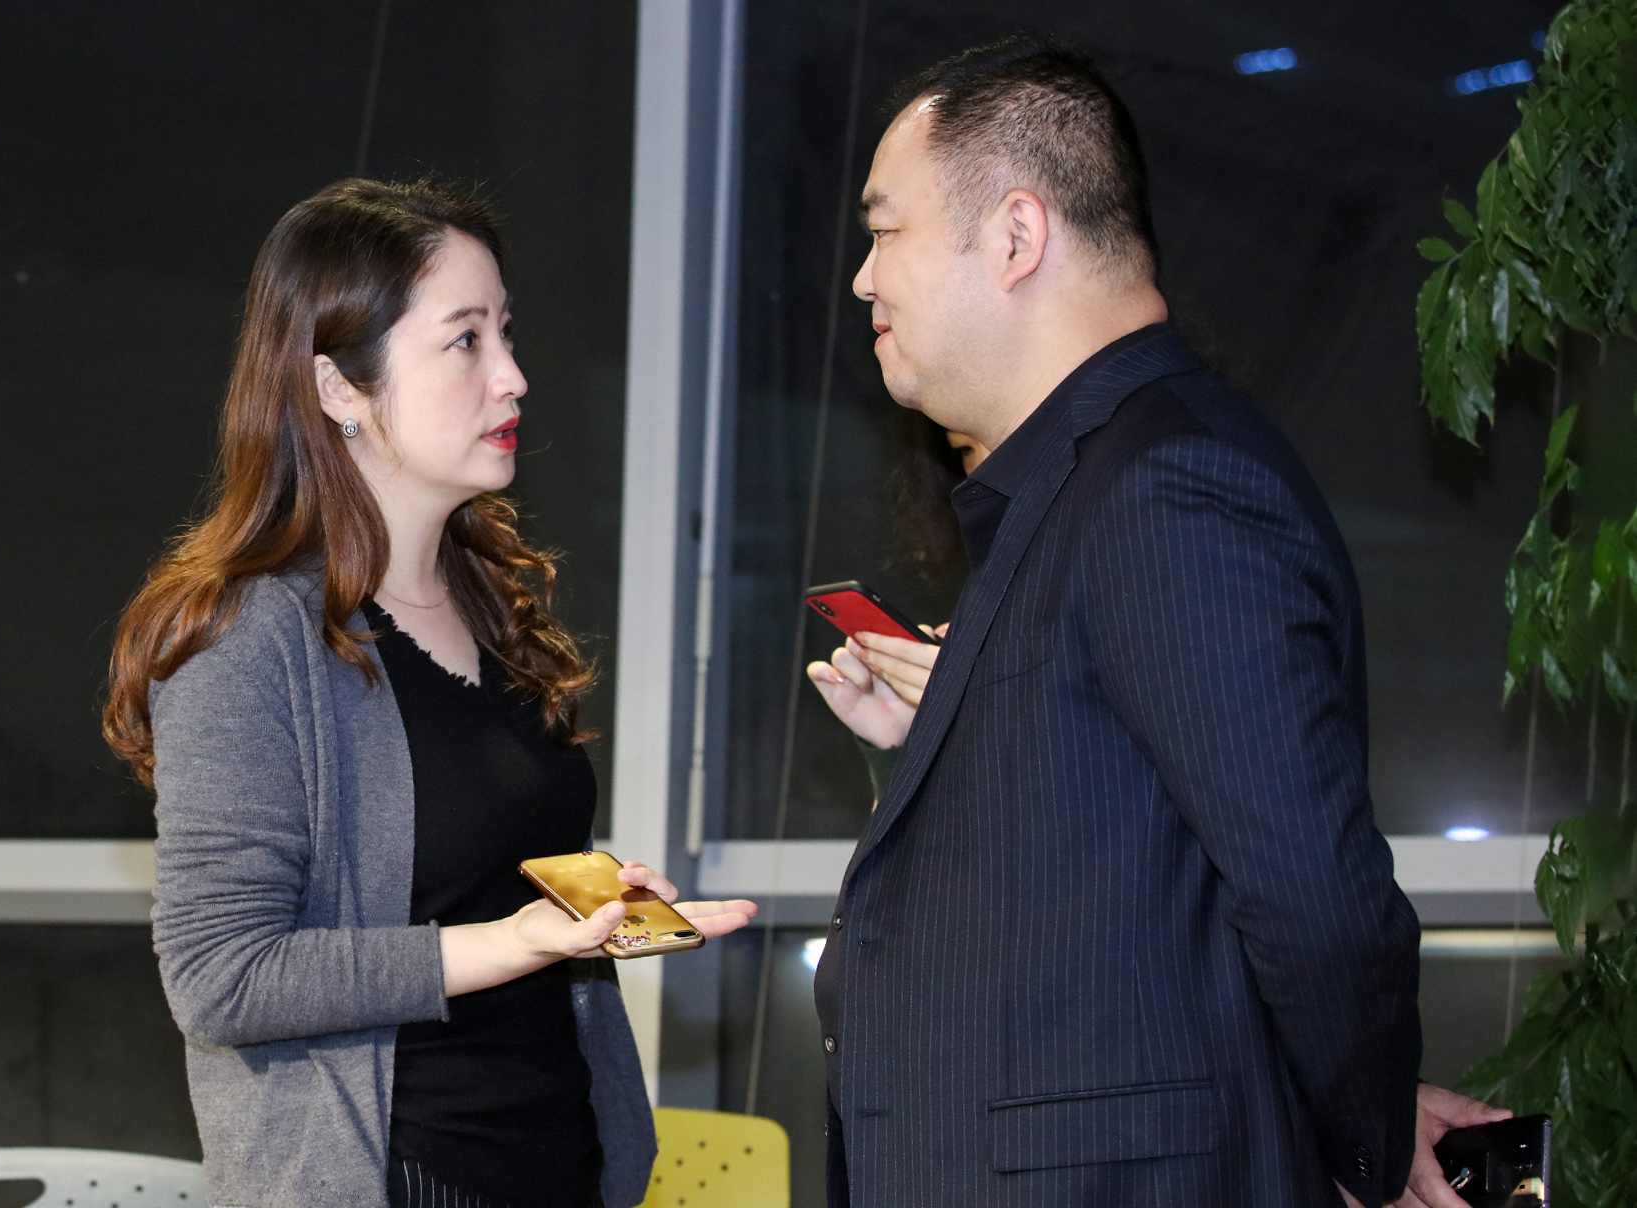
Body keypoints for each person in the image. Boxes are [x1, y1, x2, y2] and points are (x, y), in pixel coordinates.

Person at [804, 36, 1489, 1207]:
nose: (865, 278)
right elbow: (1140, 898)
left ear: (1016, 235)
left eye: (886, 230)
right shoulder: (1078, 490)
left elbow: (1314, 902)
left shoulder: (1168, 485)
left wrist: (1362, 1144)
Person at [103, 178, 756, 1208]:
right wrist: (513, 941)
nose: (513, 377)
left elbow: (481, 881)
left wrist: (595, 912)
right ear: (338, 387)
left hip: (562, 1167)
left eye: (507, 332)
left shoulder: (492, 604)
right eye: (465, 340)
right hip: (395, 1177)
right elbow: (221, 976)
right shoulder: (246, 635)